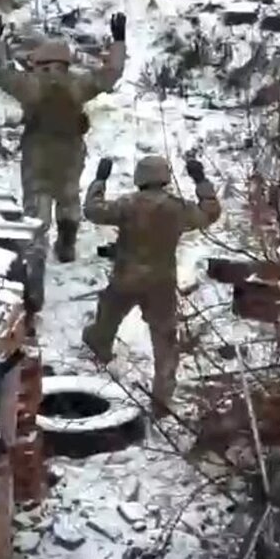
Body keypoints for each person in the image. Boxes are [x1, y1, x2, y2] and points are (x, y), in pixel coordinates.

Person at [0, 12, 128, 311]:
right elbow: (112, 74)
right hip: (70, 153)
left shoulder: (30, 85)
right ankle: (67, 245)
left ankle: (35, 275)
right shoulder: (77, 85)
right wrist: (119, 41)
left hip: (38, 153)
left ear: (39, 63)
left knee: (37, 211)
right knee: (69, 196)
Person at [80, 155, 221, 414]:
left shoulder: (127, 204)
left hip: (126, 277)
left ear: (140, 177)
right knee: (165, 340)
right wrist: (201, 181)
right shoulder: (178, 208)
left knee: (107, 316)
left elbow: (92, 210)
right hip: (162, 282)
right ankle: (162, 396)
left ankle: (100, 347)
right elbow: (210, 213)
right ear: (165, 177)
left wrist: (100, 180)